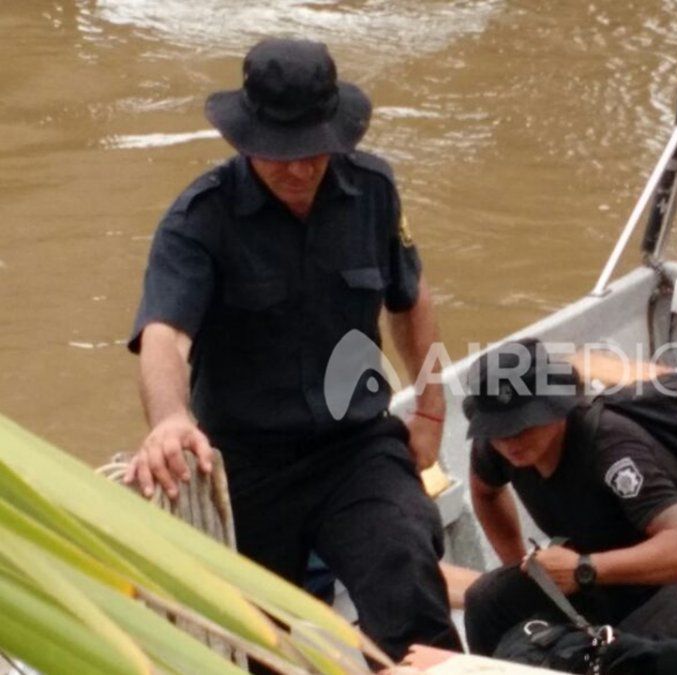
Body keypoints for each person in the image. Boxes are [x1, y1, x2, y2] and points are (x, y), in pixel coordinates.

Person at [124, 38, 461, 657]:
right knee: (257, 635)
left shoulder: (374, 191)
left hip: (354, 445)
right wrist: (171, 419)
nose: (300, 169)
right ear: (244, 138)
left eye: (315, 151)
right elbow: (164, 334)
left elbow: (410, 300)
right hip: (247, 461)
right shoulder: (198, 220)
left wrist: (433, 407)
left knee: (406, 564)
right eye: (280, 154)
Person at [461, 339, 677, 672]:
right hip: (598, 573)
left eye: (523, 426)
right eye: (498, 430)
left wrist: (584, 567)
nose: (510, 441)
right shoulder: (497, 447)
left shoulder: (610, 446)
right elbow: (486, 493)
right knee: (485, 601)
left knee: (630, 654)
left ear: (556, 408)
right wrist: (521, 563)